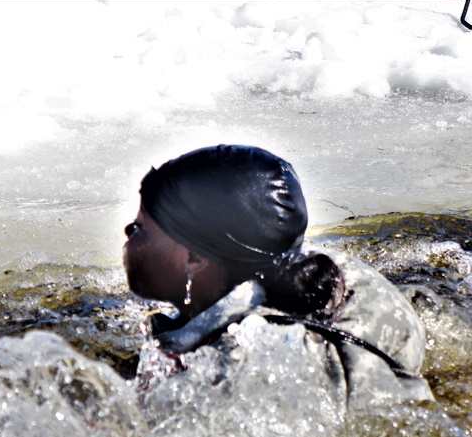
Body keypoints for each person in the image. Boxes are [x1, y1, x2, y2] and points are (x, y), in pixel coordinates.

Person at [123, 144, 433, 412]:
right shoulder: (330, 271)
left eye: (139, 229)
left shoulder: (240, 369)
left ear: (193, 257)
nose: (127, 234)